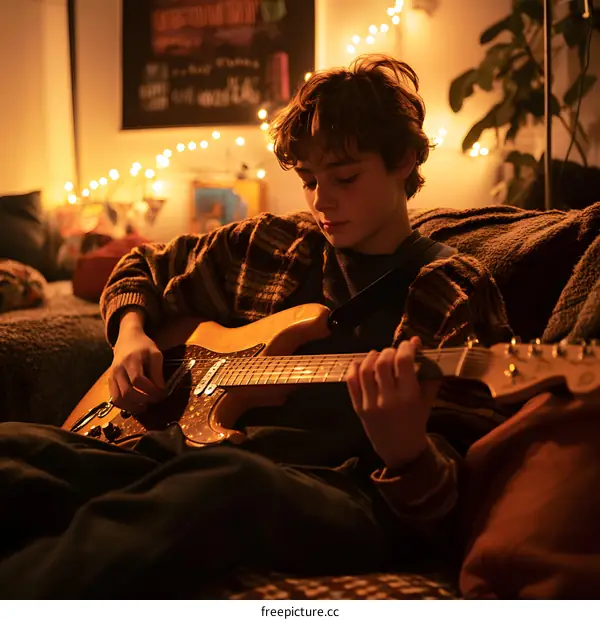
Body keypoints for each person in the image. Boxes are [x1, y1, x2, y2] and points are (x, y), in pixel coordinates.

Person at [0, 55, 512, 599]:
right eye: (309, 179)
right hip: (186, 449)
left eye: (345, 177)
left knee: (221, 483)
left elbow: (453, 501)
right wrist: (130, 335)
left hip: (336, 492)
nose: (321, 200)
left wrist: (406, 451)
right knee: (17, 450)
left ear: (405, 159)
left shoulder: (451, 286)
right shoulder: (275, 245)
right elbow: (142, 266)